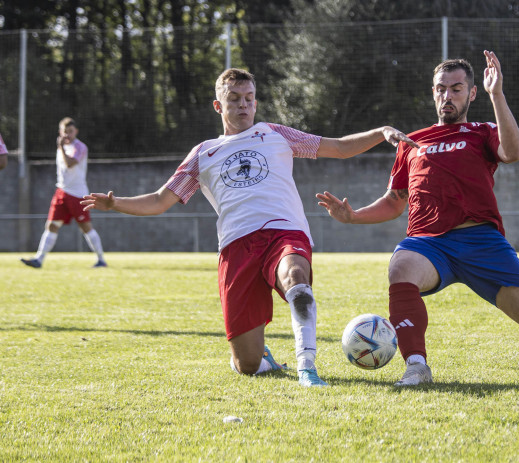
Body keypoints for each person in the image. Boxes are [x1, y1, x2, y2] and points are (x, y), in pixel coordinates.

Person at [82, 68, 417, 388]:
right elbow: (159, 200)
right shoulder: (203, 153)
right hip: (236, 248)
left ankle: (307, 367)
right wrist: (116, 203)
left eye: (249, 98)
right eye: (234, 99)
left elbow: (340, 147)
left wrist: (381, 132)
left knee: (296, 279)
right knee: (248, 365)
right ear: (219, 105)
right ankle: (262, 357)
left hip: (283, 232)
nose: (243, 105)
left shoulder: (274, 134)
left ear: (256, 101)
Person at [316, 51, 519, 387]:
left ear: (472, 93)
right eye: (440, 89)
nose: (447, 96)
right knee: (400, 268)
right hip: (429, 244)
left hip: (483, 243)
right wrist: (353, 216)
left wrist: (497, 94)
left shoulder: (484, 131)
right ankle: (417, 366)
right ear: (433, 92)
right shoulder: (411, 143)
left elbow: (514, 153)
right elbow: (394, 202)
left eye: (456, 89)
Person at [21, 118, 107, 268]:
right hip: (61, 192)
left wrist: (61, 147)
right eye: (65, 131)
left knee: (85, 227)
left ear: (76, 132)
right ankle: (39, 259)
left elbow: (70, 164)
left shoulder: (79, 147)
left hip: (77, 194)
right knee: (51, 225)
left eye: (71, 131)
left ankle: (101, 260)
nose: (68, 135)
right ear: (60, 132)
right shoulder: (62, 147)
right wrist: (61, 147)